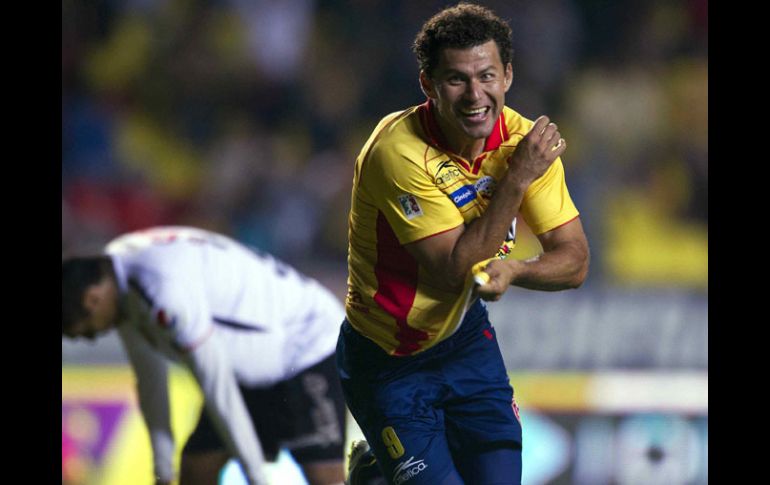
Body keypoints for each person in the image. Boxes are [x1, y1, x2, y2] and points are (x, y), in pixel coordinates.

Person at [337, 3, 590, 485]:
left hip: (465, 341)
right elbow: (453, 270)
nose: (475, 95)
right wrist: (516, 180)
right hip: (389, 359)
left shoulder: (523, 141)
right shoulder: (399, 151)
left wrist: (517, 270)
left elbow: (574, 261)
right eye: (456, 79)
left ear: (508, 75)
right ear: (427, 85)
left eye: (487, 75)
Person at [62, 226, 348, 485]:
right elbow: (151, 380)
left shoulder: (162, 290)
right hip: (252, 366)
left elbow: (216, 386)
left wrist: (256, 477)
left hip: (305, 342)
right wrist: (162, 473)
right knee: (196, 471)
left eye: (85, 331)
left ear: (92, 299)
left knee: (324, 477)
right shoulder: (121, 275)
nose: (91, 338)